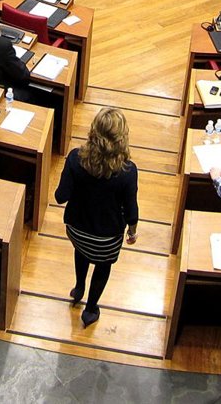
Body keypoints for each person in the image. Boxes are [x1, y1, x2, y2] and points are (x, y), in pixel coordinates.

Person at [54, 107, 139, 328]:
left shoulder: (75, 158)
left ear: (93, 131)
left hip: (77, 231)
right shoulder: (128, 171)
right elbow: (131, 210)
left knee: (81, 253)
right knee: (102, 267)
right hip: (107, 240)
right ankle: (91, 309)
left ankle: (79, 287)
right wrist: (132, 231)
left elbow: (60, 196)